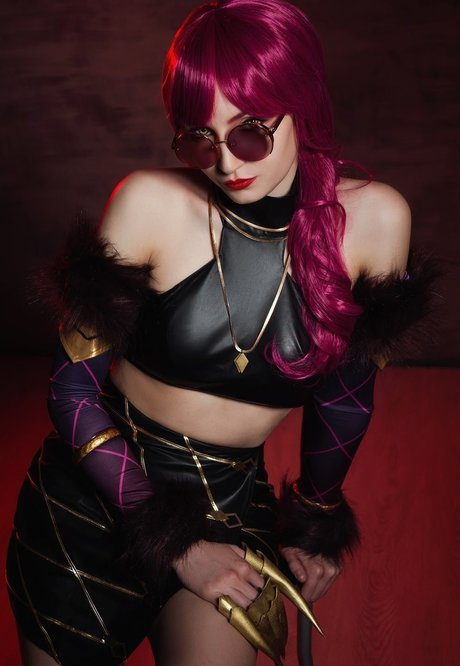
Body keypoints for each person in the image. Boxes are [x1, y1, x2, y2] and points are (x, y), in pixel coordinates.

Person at [6, 1, 435, 665]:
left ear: (302, 105)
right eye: (198, 139)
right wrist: (176, 543)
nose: (227, 162)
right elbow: (71, 393)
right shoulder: (149, 202)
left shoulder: (376, 221)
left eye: (251, 133)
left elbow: (344, 397)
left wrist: (316, 517)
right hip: (91, 504)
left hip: (228, 505)